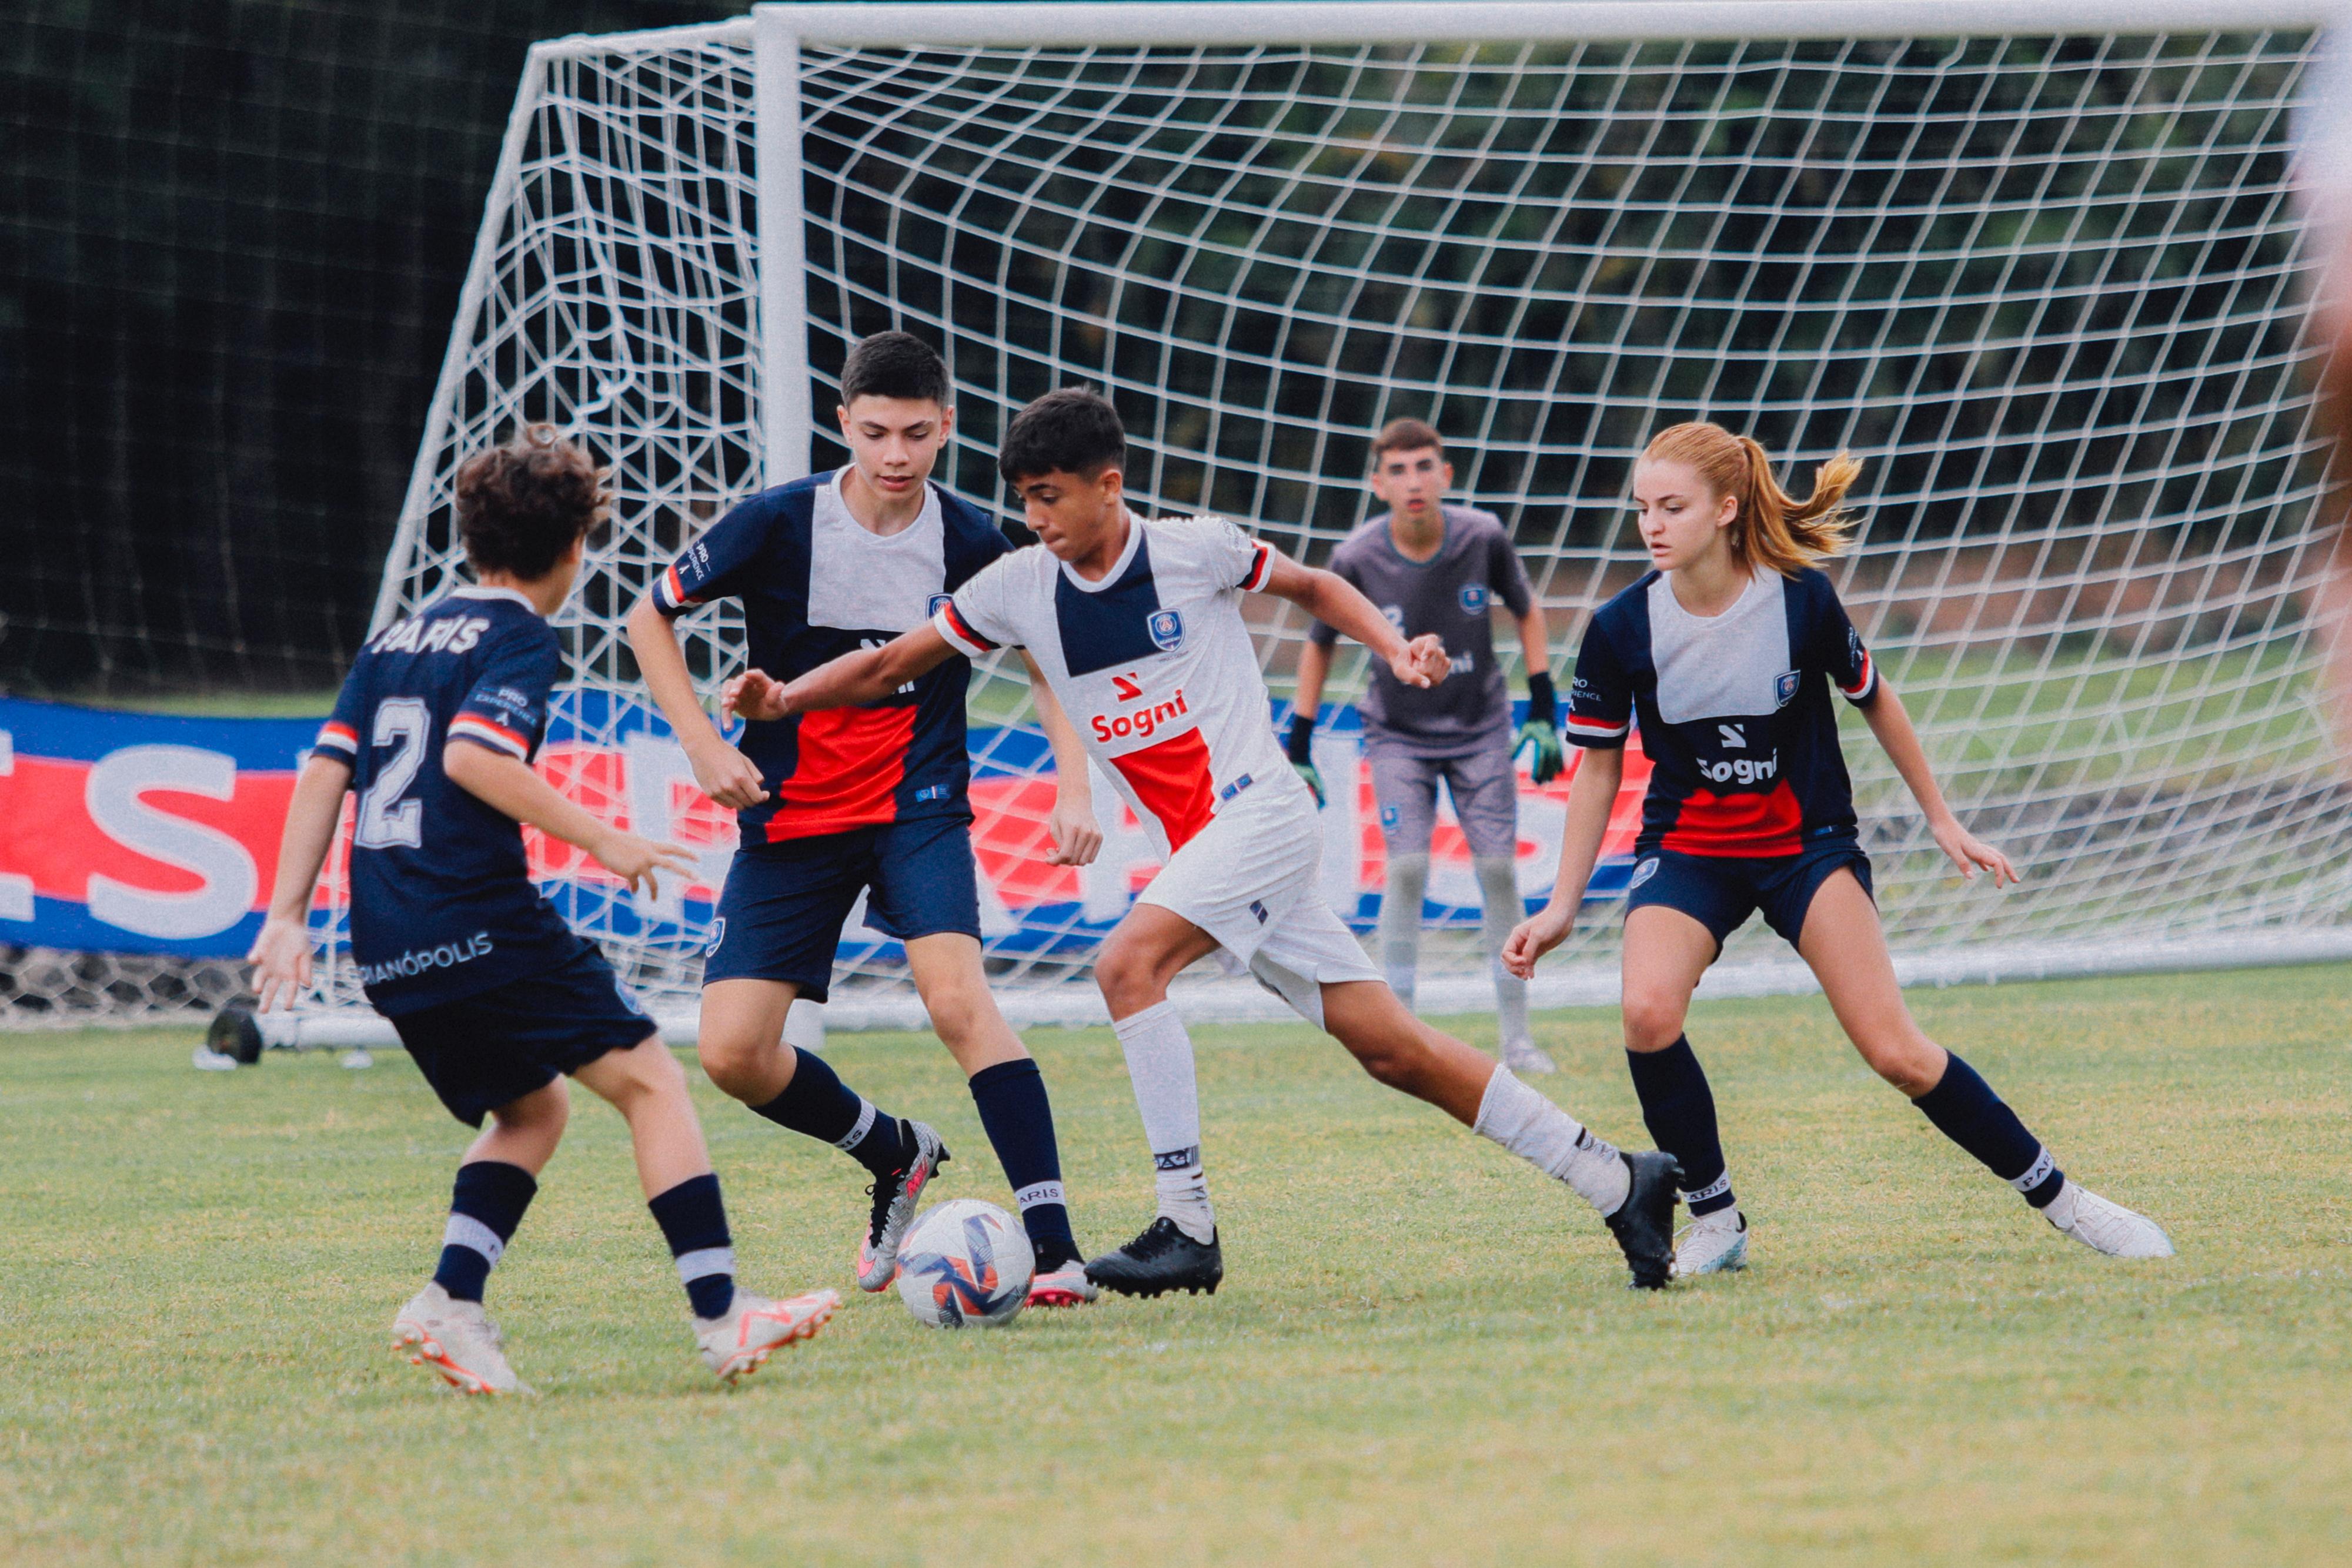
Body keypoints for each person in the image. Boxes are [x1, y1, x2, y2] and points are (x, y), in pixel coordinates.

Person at [741, 388, 1684, 1294]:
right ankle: (1615, 1178)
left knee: (1126, 966)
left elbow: (1317, 585)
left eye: (1050, 497)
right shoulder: (1018, 586)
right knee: (1390, 1046)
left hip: (1261, 817)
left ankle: (1185, 1224)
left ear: (1108, 483)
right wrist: (786, 697)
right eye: (1025, 499)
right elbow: (894, 660)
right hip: (1214, 852)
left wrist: (1394, 648)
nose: (1036, 518)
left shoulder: (1196, 551)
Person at [1503, 421, 2174, 1276]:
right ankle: (1716, 1218)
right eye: (1642, 508)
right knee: (1646, 1015)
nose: (1653, 524)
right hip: (1691, 849)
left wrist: (1941, 816)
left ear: (1726, 508)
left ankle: (2072, 1203)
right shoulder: (1619, 626)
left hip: (1806, 847)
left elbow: (1875, 697)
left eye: (1672, 506)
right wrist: (1562, 905)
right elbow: (1598, 770)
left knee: (1896, 1051)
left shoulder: (1800, 598)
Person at [248, 424, 837, 1395]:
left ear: (471, 534)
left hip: (387, 937)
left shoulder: (395, 637)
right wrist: (605, 839)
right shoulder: (519, 635)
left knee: (532, 1108)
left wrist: (284, 915)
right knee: (652, 1081)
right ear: (576, 547)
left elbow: (325, 769)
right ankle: (723, 1315)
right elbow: (473, 758)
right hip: (475, 918)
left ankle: (450, 1302)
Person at [624, 332, 1102, 1308]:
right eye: (876, 432)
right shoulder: (775, 523)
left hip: (917, 809)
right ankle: (896, 1154)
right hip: (790, 812)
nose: (895, 454)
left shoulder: (973, 540)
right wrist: (703, 744)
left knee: (960, 1003)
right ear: (843, 424)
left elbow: (1045, 648)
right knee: (733, 1054)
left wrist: (1075, 781)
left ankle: (1055, 1252)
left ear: (947, 429)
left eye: (917, 434)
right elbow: (649, 615)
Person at [1288, 418, 1563, 1076]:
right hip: (1396, 735)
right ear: (1377, 483)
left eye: (1425, 466)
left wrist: (1545, 704)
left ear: (1445, 474)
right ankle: (1402, 1035)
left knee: (1499, 871)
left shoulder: (1482, 536)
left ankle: (1518, 1037)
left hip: (1480, 728)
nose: (1414, 481)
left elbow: (1526, 609)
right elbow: (1317, 645)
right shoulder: (1355, 555)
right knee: (1407, 869)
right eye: (1399, 469)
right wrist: (1296, 742)